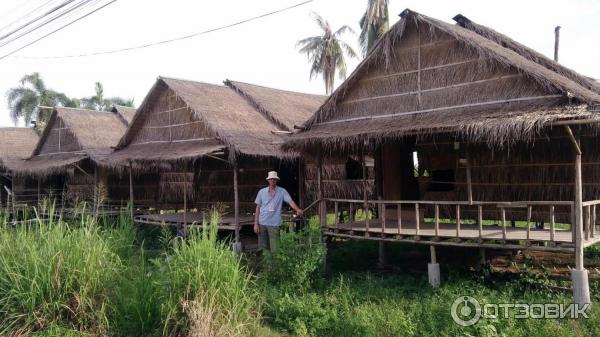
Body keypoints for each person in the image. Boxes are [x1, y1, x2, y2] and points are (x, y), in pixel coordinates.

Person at [254, 171, 303, 252]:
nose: (272, 180)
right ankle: (266, 264)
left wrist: (297, 209)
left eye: (274, 179)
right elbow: (257, 208)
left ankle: (275, 265)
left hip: (274, 224)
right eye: (271, 179)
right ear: (268, 180)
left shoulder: (282, 191)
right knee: (263, 249)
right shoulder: (261, 192)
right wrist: (256, 224)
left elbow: (290, 201)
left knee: (275, 249)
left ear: (277, 180)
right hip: (262, 223)